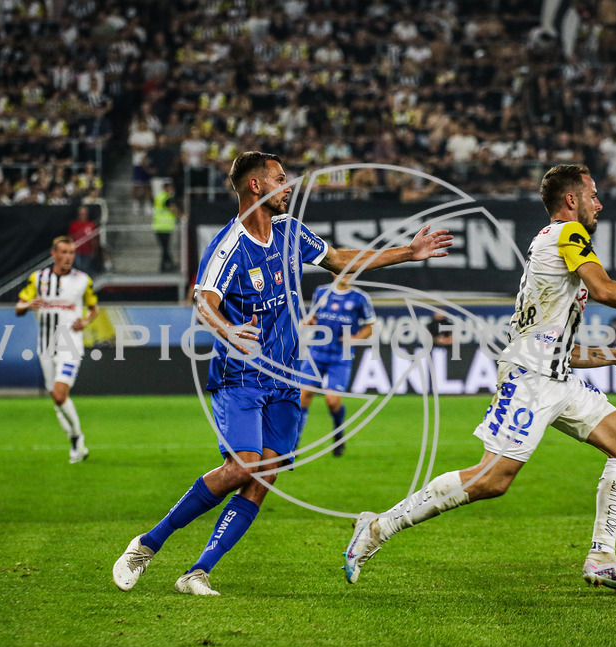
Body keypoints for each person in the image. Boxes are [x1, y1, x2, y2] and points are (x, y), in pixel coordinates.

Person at [113, 151, 452, 596]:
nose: (288, 185)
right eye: (281, 178)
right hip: (241, 375)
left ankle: (198, 571)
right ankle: (146, 545)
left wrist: (407, 252)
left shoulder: (291, 232)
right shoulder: (229, 245)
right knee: (242, 468)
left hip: (287, 376)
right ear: (257, 186)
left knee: (264, 476)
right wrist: (229, 329)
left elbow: (338, 259)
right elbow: (203, 301)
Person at [343, 164, 616, 592]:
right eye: (593, 195)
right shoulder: (568, 234)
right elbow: (604, 291)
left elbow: (553, 344)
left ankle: (602, 557)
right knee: (492, 479)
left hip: (554, 375)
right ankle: (377, 528)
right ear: (571, 200)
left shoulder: (551, 244)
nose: (600, 203)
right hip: (530, 378)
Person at [15, 236, 100, 464]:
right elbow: (19, 306)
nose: (68, 257)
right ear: (54, 254)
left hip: (70, 344)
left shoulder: (83, 280)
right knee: (57, 399)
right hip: (46, 345)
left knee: (60, 394)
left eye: (71, 252)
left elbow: (94, 308)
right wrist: (26, 305)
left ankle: (76, 440)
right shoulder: (39, 278)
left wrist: (86, 321)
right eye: (63, 252)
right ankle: (76, 440)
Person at [296, 273, 377, 457]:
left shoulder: (360, 297)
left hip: (340, 355)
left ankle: (338, 432)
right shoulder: (321, 292)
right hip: (317, 351)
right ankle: (294, 445)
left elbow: (370, 326)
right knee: (302, 396)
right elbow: (315, 316)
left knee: (332, 401)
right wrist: (310, 322)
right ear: (334, 271)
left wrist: (355, 338)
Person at [152, 179, 184, 272]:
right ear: (166, 187)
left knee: (164, 248)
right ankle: (168, 265)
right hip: (165, 226)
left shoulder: (159, 196)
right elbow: (172, 209)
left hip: (159, 226)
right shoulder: (166, 198)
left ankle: (163, 267)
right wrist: (182, 216)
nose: (172, 189)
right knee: (165, 248)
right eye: (170, 187)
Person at [68, 205, 100, 274]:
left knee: (86, 269)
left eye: (84, 214)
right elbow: (70, 238)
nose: (83, 215)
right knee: (78, 269)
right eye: (81, 214)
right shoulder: (74, 224)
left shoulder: (91, 224)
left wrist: (94, 250)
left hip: (88, 252)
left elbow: (95, 239)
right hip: (76, 251)